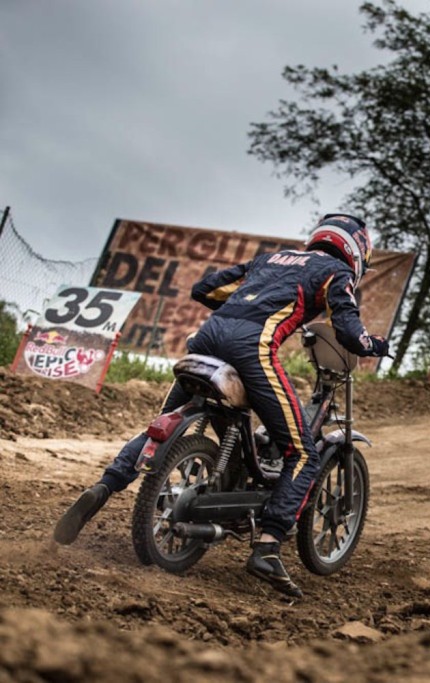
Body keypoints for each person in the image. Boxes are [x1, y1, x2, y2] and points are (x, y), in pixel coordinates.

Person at [53, 214, 389, 598]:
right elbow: (349, 331)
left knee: (161, 424)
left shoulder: (272, 259)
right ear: (357, 250)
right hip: (252, 350)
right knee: (303, 455)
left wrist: (250, 299)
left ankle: (103, 488)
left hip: (206, 340)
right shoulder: (336, 273)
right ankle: (268, 545)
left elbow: (204, 289)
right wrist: (376, 345)